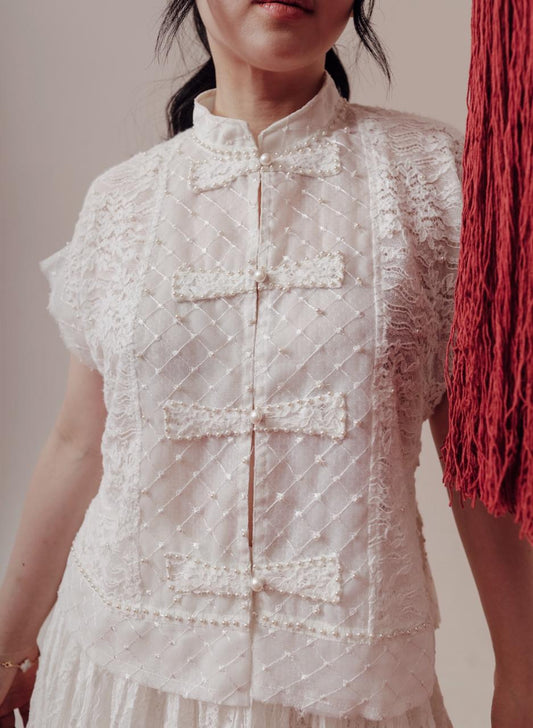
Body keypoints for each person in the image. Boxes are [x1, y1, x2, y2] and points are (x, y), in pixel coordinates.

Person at [1, 1, 532, 726]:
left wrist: (522, 675)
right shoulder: (121, 202)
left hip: (347, 684)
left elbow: (483, 463)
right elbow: (77, 439)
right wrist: (8, 646)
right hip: (121, 669)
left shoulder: (435, 178)